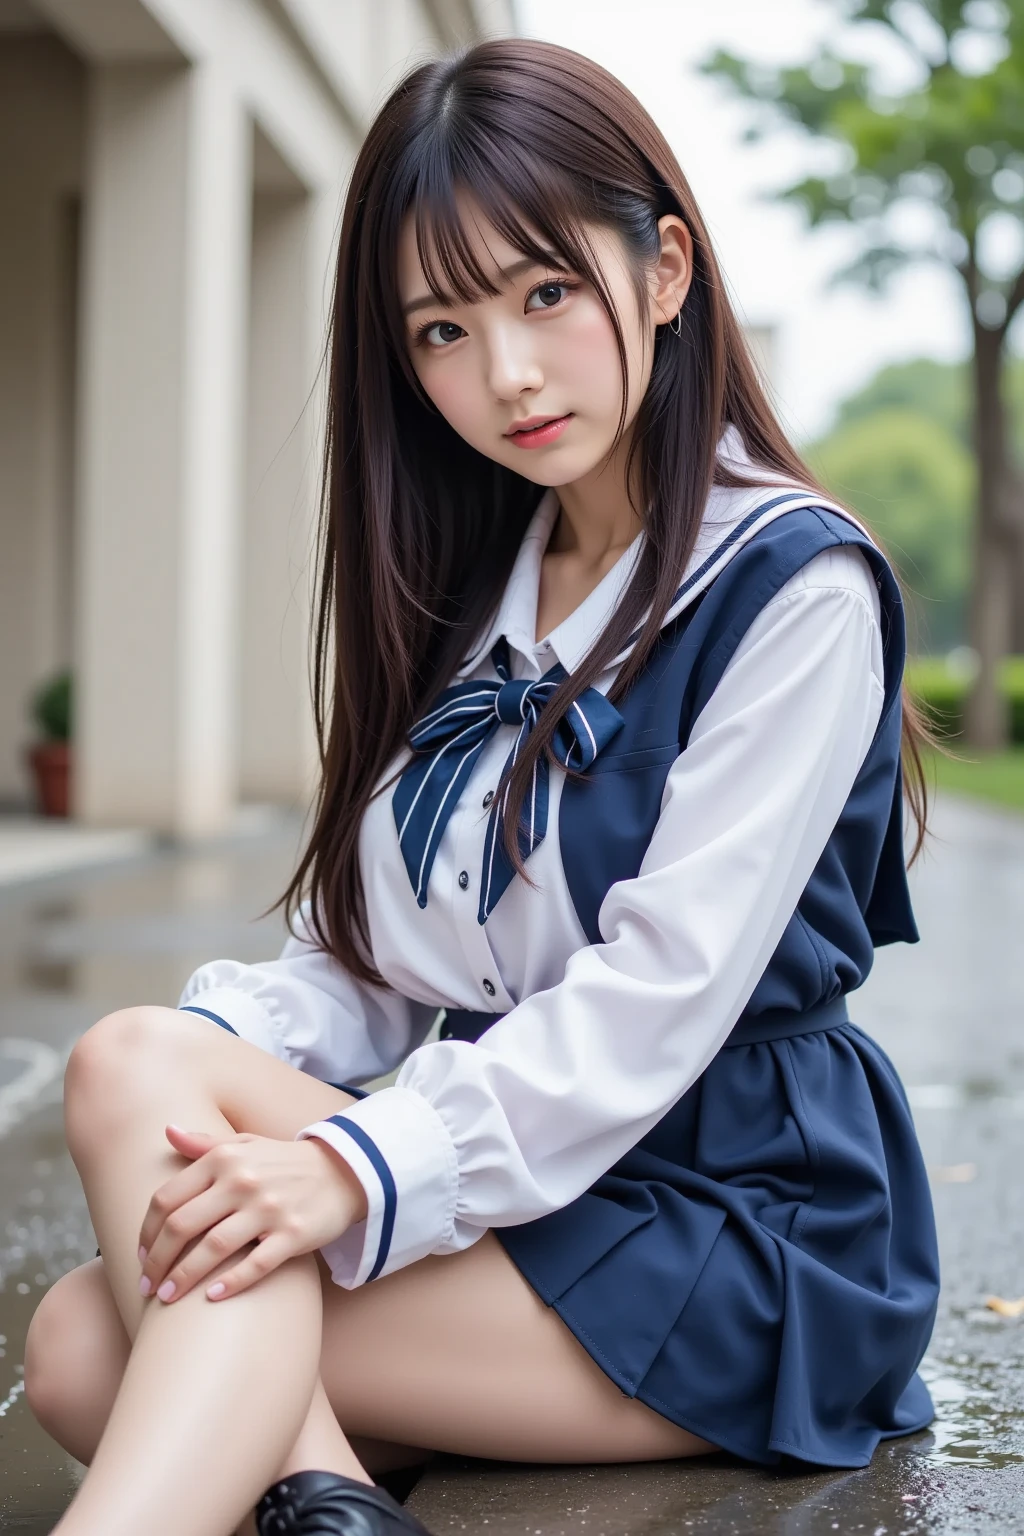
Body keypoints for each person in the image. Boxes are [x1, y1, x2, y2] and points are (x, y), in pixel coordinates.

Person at [23, 37, 940, 1536]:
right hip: (527, 1192)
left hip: (735, 1222)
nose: (503, 373)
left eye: (545, 295)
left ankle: (291, 1481)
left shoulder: (794, 584)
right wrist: (230, 1099)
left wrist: (349, 1164)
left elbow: (659, 1001)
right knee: (127, 1111)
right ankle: (324, 1493)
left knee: (95, 1344)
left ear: (662, 271)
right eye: (442, 329)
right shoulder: (474, 589)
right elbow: (372, 967)